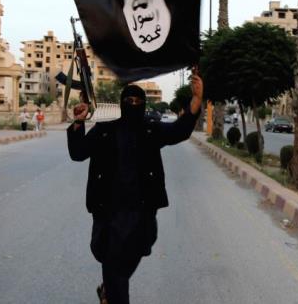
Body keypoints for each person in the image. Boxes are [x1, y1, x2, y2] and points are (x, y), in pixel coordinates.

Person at [67, 69, 203, 304]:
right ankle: (112, 291)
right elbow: (78, 153)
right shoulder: (105, 130)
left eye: (138, 101)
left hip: (141, 211)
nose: (134, 104)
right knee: (114, 267)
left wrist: (196, 100)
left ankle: (109, 289)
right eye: (129, 101)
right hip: (109, 212)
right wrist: (79, 122)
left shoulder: (151, 129)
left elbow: (179, 131)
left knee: (136, 252)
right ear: (122, 104)